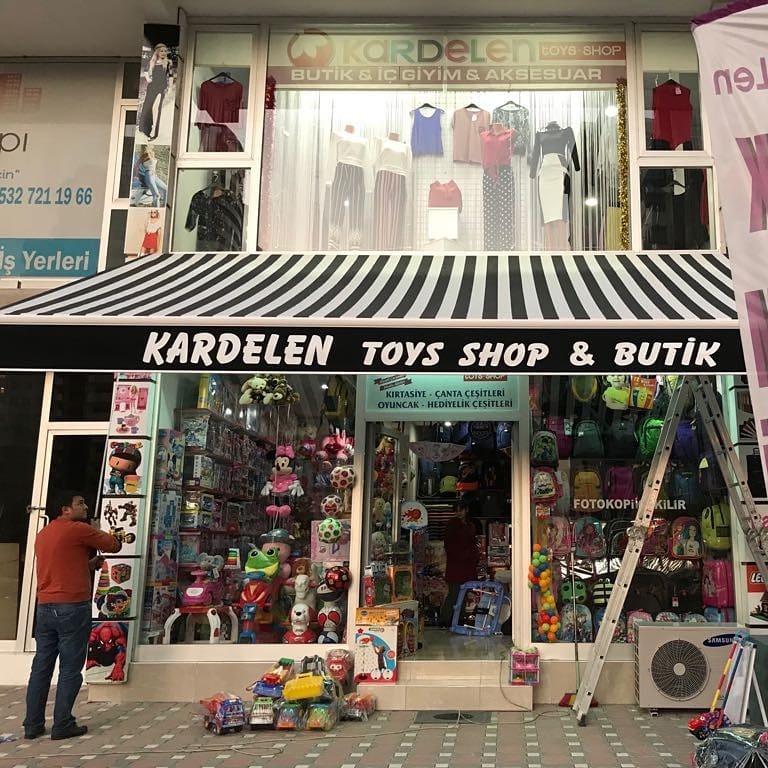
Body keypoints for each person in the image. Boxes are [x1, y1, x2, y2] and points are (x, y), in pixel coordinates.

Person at [23, 491, 122, 741]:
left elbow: (61, 565)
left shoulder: (44, 534)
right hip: (72, 607)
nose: (85, 507)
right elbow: (114, 544)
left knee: (41, 666)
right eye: (80, 503)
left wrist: (88, 565)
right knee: (70, 668)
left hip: (45, 606)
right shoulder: (77, 529)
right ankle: (62, 723)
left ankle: (32, 724)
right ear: (65, 509)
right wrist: (99, 530)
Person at [439, 501, 480, 627]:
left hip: (466, 565)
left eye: (461, 510)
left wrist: (473, 557)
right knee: (454, 593)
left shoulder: (470, 525)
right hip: (456, 564)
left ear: (466, 510)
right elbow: (448, 545)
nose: (459, 513)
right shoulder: (452, 525)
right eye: (456, 510)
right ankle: (445, 619)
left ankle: (459, 619)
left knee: (463, 593)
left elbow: (472, 543)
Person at [139, 43, 171, 140]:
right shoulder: (152, 62)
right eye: (161, 51)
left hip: (162, 87)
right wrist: (148, 79)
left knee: (156, 108)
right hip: (152, 86)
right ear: (157, 52)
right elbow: (145, 71)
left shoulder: (168, 63)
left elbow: (170, 76)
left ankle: (154, 132)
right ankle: (145, 129)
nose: (163, 53)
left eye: (165, 51)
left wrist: (169, 88)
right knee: (147, 106)